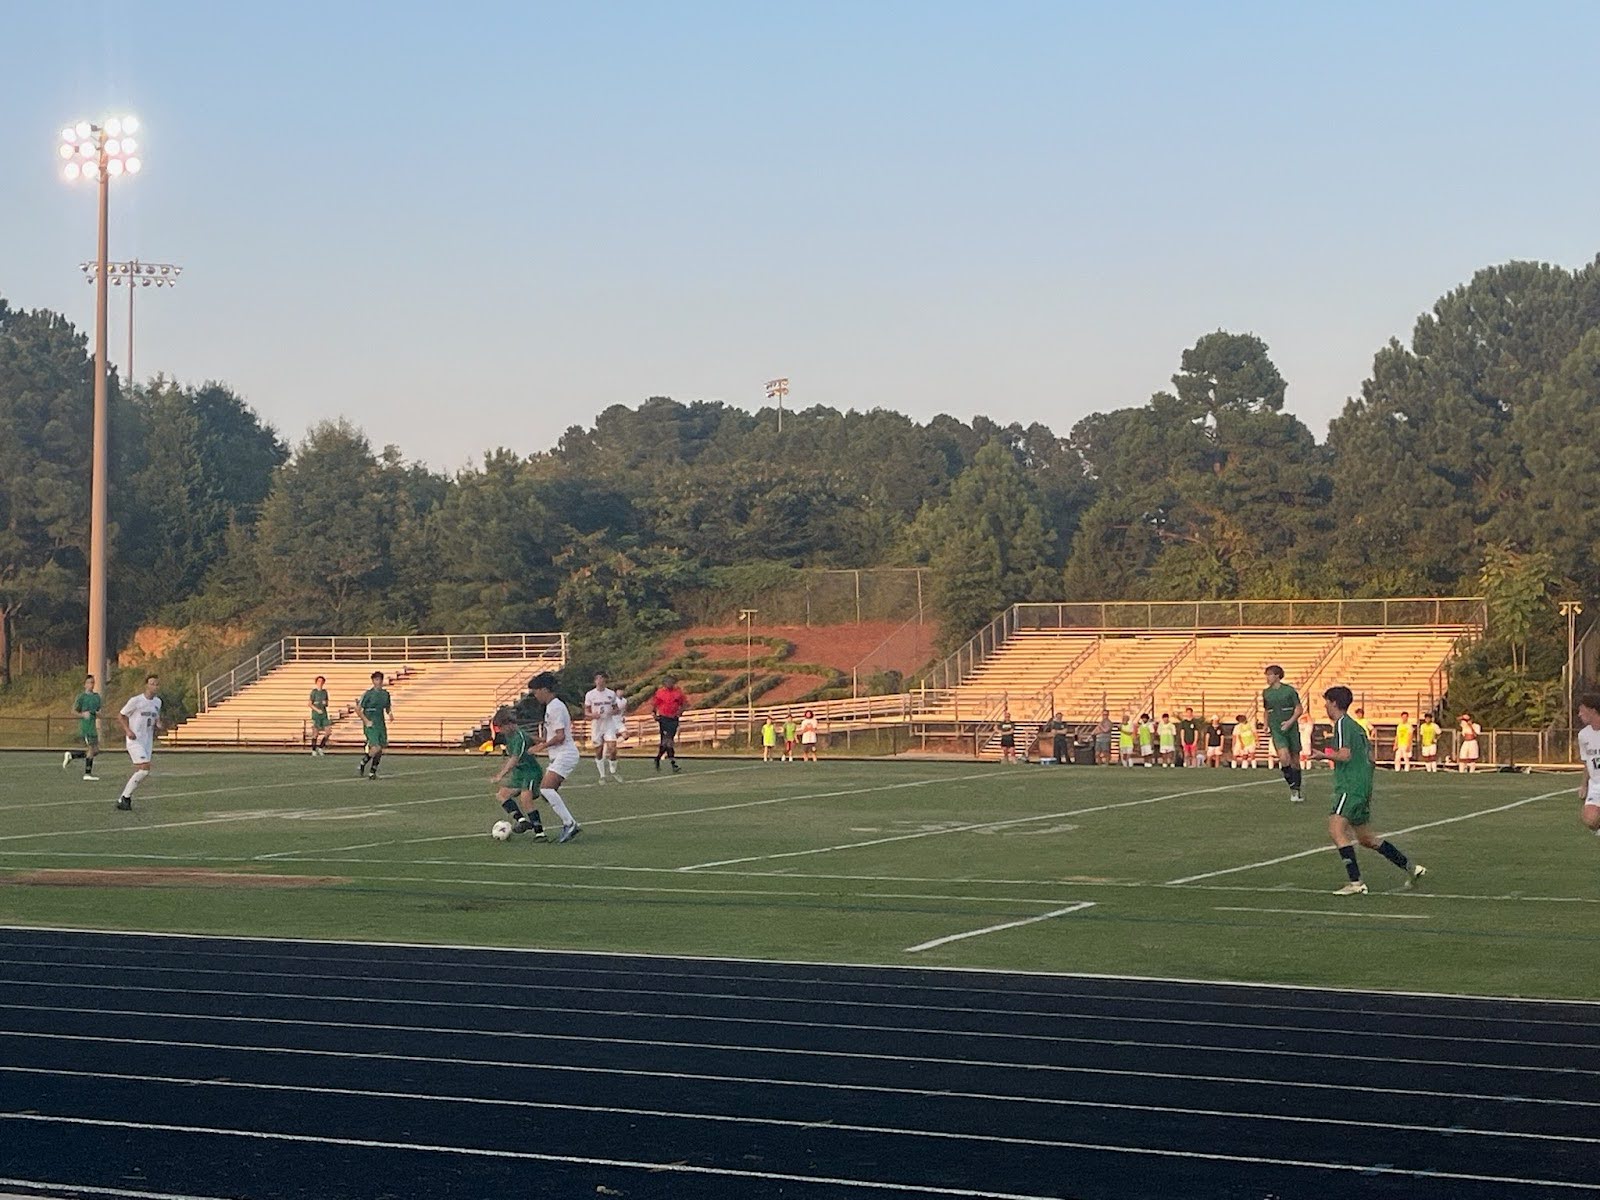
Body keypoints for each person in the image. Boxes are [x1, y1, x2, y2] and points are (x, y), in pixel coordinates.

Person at [1319, 685, 1427, 895]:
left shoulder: (1342, 724)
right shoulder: (1358, 728)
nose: (1325, 706)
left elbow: (1345, 755)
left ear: (1333, 703)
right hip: (1362, 786)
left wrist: (1322, 755)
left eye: (1326, 702)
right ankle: (1411, 868)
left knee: (1336, 829)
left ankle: (1356, 882)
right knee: (1367, 839)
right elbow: (1371, 758)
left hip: (1350, 786)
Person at [527, 672, 581, 842]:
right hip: (560, 755)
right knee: (546, 792)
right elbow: (552, 735)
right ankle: (569, 823)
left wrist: (541, 747)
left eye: (536, 692)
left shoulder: (555, 707)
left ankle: (570, 823)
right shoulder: (552, 707)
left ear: (544, 689)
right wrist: (533, 740)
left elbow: (560, 736)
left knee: (546, 789)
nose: (535, 696)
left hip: (565, 754)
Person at [489, 706, 545, 840]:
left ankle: (540, 833)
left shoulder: (519, 737)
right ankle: (522, 821)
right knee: (502, 794)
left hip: (530, 772)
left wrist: (500, 775)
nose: (500, 731)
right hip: (519, 773)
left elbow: (515, 758)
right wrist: (542, 741)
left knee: (526, 799)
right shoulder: (511, 735)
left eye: (501, 727)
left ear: (508, 724)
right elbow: (532, 739)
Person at [115, 674, 164, 811]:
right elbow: (121, 715)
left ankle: (123, 799)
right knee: (144, 768)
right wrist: (128, 731)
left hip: (147, 741)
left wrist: (158, 723)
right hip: (135, 740)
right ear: (146, 685)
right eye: (152, 684)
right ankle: (125, 797)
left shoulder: (157, 702)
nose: (155, 686)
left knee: (142, 770)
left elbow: (156, 716)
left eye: (157, 684)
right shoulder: (136, 701)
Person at [1263, 664, 1306, 802]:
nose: (1267, 678)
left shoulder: (1289, 691)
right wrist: (1265, 724)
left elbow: (1299, 709)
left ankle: (1296, 789)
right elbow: (1266, 710)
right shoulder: (1266, 692)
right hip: (1276, 728)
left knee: (1295, 760)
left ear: (1277, 676)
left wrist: (1289, 722)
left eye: (1269, 675)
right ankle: (1292, 785)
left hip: (1291, 728)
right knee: (1283, 757)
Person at [584, 672, 623, 782]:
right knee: (599, 751)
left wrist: (613, 711)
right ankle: (602, 775)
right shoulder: (590, 694)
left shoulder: (611, 693)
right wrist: (593, 715)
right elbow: (586, 712)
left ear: (605, 681)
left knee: (612, 748)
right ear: (595, 681)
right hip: (597, 725)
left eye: (602, 679)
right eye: (598, 679)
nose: (600, 681)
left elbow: (617, 709)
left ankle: (613, 771)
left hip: (608, 724)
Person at [63, 675, 101, 781]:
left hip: (93, 727)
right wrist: (83, 715)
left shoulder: (97, 697)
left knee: (96, 751)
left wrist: (98, 714)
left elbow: (98, 711)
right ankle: (87, 773)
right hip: (86, 727)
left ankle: (72, 756)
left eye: (92, 682)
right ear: (85, 684)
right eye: (89, 683)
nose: (91, 685)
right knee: (91, 749)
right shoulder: (81, 697)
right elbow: (73, 711)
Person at [649, 674, 687, 773]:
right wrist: (654, 714)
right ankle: (673, 763)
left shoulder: (678, 693)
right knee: (668, 741)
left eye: (671, 682)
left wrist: (680, 712)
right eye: (667, 683)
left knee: (666, 742)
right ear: (664, 684)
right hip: (664, 718)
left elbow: (684, 704)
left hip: (673, 719)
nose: (669, 684)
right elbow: (655, 704)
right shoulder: (660, 692)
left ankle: (657, 758)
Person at [357, 671, 391, 780]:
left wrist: (390, 714)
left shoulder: (385, 694)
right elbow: (358, 709)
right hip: (371, 723)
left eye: (380, 679)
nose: (378, 682)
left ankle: (372, 771)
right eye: (376, 680)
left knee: (380, 749)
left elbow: (387, 707)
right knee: (376, 747)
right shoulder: (368, 694)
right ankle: (363, 762)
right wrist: (366, 721)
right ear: (373, 681)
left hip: (380, 723)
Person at [1576, 693, 1600, 835]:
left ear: (1592, 710)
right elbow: (1587, 761)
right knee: (1590, 819)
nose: (1579, 714)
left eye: (1582, 710)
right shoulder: (1583, 735)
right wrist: (1584, 784)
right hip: (1596, 784)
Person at [308, 675, 331, 757]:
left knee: (328, 732)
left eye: (322, 681)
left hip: (324, 715)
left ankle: (320, 747)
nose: (320, 683)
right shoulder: (314, 692)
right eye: (319, 681)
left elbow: (327, 703)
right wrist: (317, 710)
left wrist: (326, 703)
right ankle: (313, 750)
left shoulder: (325, 692)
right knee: (315, 733)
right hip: (316, 715)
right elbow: (310, 704)